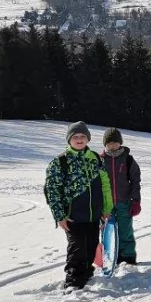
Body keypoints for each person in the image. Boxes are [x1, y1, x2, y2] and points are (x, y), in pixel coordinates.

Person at [44, 122, 113, 290]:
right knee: (77, 249)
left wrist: (106, 208)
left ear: (88, 138)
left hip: (94, 214)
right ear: (69, 140)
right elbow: (52, 191)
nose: (79, 140)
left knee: (90, 246)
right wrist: (59, 215)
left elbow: (105, 184)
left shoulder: (95, 158)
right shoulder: (60, 162)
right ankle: (74, 282)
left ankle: (87, 274)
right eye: (75, 137)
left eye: (82, 136)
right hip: (73, 216)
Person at [100, 127, 141, 265]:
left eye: (115, 142)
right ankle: (110, 256)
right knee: (108, 232)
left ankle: (127, 257)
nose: (112, 145)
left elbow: (135, 181)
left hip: (124, 202)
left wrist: (135, 201)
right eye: (109, 143)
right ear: (105, 144)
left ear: (120, 143)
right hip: (106, 205)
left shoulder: (128, 159)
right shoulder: (100, 161)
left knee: (125, 231)